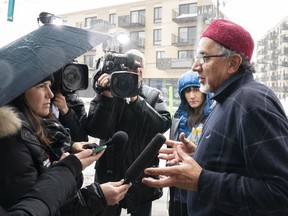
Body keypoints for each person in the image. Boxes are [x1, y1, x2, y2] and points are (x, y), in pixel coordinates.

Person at [142, 19, 288, 216]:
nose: (195, 66)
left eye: (204, 58)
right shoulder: (224, 99)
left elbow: (281, 193)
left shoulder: (252, 103)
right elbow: (236, 163)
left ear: (233, 63)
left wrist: (202, 180)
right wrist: (200, 155)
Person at [0, 75, 131, 215]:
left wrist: (70, 150)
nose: (50, 94)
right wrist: (97, 196)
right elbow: (39, 207)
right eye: (40, 86)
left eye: (50, 86)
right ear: (18, 91)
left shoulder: (39, 124)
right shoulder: (11, 140)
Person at [86, 49, 172, 215]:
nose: (131, 74)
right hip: (108, 172)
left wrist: (135, 99)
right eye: (127, 69)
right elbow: (95, 130)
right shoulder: (106, 93)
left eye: (135, 69)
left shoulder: (153, 95)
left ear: (142, 71)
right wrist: (106, 97)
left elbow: (162, 125)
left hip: (141, 174)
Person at [168, 70, 213, 216]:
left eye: (196, 89)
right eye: (187, 91)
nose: (192, 96)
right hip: (177, 191)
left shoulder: (214, 118)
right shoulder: (178, 119)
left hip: (202, 189)